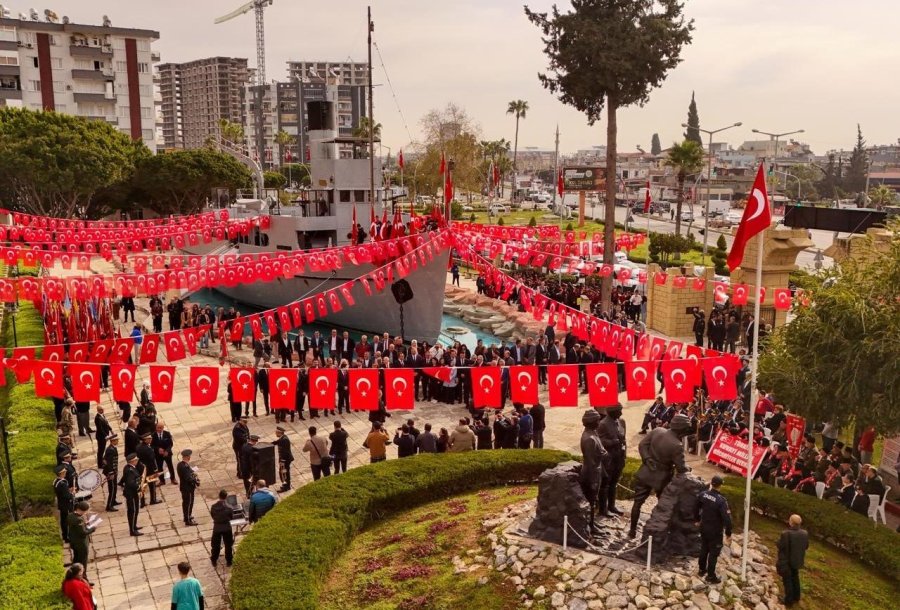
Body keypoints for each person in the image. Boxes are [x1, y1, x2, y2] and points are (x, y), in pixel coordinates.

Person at [629, 414, 692, 538]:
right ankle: (658, 531)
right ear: (682, 430)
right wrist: (688, 469)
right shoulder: (676, 445)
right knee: (663, 506)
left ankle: (632, 531)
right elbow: (681, 468)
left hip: (646, 472)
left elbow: (642, 445)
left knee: (637, 504)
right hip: (662, 479)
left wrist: (647, 459)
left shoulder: (657, 430)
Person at [694, 475, 732, 584]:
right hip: (715, 531)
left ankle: (701, 570)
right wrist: (728, 533)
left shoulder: (703, 494)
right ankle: (711, 576)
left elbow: (695, 506)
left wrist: (696, 519)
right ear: (721, 485)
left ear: (711, 483)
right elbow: (727, 519)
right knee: (713, 553)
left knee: (704, 548)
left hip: (704, 527)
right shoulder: (721, 501)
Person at [579, 410, 608, 534]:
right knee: (591, 501)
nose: (599, 422)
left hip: (597, 470)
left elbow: (600, 450)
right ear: (592, 422)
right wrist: (593, 481)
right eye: (597, 420)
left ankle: (592, 522)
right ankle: (590, 526)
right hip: (591, 473)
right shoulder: (589, 439)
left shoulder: (593, 433)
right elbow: (591, 461)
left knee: (593, 500)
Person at [597, 404, 626, 517]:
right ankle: (603, 509)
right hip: (608, 460)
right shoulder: (602, 424)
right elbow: (598, 441)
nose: (621, 413)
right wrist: (611, 442)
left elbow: (624, 440)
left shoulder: (620, 421)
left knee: (614, 483)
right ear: (613, 412)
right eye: (619, 411)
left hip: (618, 458)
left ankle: (612, 506)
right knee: (605, 485)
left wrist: (624, 456)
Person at [776, 514, 809, 607]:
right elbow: (806, 546)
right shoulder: (805, 533)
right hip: (797, 560)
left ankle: (788, 601)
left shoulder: (785, 534)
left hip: (786, 561)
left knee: (788, 581)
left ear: (790, 522)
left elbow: (780, 546)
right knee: (795, 578)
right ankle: (796, 597)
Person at [67, 501, 96, 578]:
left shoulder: (71, 515)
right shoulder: (79, 519)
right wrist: (93, 528)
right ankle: (84, 578)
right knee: (83, 563)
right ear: (83, 510)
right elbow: (83, 532)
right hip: (81, 544)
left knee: (76, 560)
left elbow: (76, 527)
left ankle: (74, 576)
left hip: (74, 542)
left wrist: (85, 523)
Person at [210, 490, 235, 567]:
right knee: (228, 545)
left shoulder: (213, 507)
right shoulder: (229, 507)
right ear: (226, 497)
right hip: (226, 527)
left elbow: (213, 516)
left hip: (217, 527)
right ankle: (229, 561)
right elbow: (231, 517)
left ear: (219, 496)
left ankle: (214, 560)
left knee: (215, 545)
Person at [120, 453, 143, 536]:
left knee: (136, 510)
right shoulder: (130, 470)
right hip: (131, 494)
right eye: (136, 460)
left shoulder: (129, 467)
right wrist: (140, 487)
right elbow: (130, 483)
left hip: (133, 493)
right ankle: (132, 530)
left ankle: (134, 525)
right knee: (132, 511)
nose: (137, 461)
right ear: (132, 461)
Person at [136, 433, 161, 505]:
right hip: (150, 470)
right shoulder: (148, 449)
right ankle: (153, 500)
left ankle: (142, 502)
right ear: (145, 440)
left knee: (142, 485)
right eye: (149, 439)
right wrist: (155, 469)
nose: (151, 439)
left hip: (141, 469)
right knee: (152, 485)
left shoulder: (138, 447)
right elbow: (152, 460)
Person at [177, 449, 199, 526]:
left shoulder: (181, 464)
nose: (190, 457)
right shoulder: (184, 467)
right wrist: (195, 480)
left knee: (186, 503)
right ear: (187, 457)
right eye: (189, 456)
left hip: (185, 488)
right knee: (188, 503)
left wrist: (193, 474)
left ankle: (187, 516)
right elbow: (188, 478)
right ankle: (188, 520)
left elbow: (190, 473)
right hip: (187, 488)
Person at [54, 463, 75, 543]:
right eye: (64, 472)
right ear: (61, 473)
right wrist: (72, 493)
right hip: (66, 504)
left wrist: (68, 490)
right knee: (66, 521)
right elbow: (66, 495)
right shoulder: (62, 483)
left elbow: (62, 492)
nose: (65, 472)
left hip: (62, 504)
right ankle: (67, 537)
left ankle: (65, 535)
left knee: (63, 520)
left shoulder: (57, 481)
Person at [102, 433, 120, 512]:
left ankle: (113, 500)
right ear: (113, 441)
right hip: (110, 472)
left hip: (113, 471)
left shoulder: (112, 448)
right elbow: (108, 462)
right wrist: (111, 473)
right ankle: (109, 506)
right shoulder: (110, 450)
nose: (118, 441)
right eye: (117, 440)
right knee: (112, 489)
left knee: (114, 487)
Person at [272, 426, 294, 491]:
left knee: (284, 473)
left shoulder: (284, 440)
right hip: (284, 460)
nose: (275, 433)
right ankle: (286, 485)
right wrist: (270, 444)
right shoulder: (282, 438)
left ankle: (286, 486)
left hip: (284, 460)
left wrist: (282, 461)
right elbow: (277, 442)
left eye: (276, 432)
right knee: (283, 473)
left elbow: (285, 452)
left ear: (280, 433)